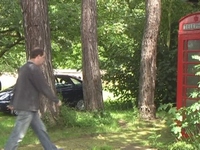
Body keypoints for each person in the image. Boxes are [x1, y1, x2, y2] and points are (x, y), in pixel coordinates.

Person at [4, 48, 62, 150]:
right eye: (43, 57)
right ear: (38, 56)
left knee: (41, 130)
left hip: (30, 107)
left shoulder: (24, 68)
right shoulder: (33, 69)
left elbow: (17, 86)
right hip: (27, 107)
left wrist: (12, 102)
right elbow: (43, 86)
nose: (44, 60)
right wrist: (55, 100)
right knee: (18, 134)